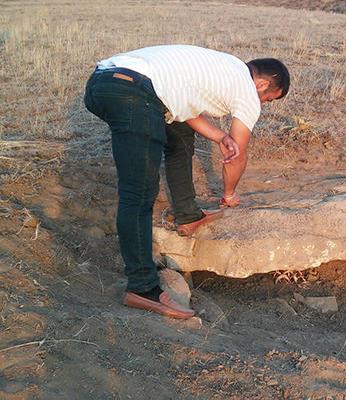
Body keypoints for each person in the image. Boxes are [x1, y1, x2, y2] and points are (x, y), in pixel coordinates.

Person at [84, 45, 290, 319]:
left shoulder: (223, 66)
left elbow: (183, 108)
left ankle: (188, 215)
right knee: (139, 193)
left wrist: (218, 136)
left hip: (108, 81)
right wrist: (229, 194)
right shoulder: (246, 89)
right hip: (134, 92)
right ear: (262, 83)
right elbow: (237, 155)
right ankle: (142, 288)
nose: (263, 104)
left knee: (179, 135)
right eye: (268, 99)